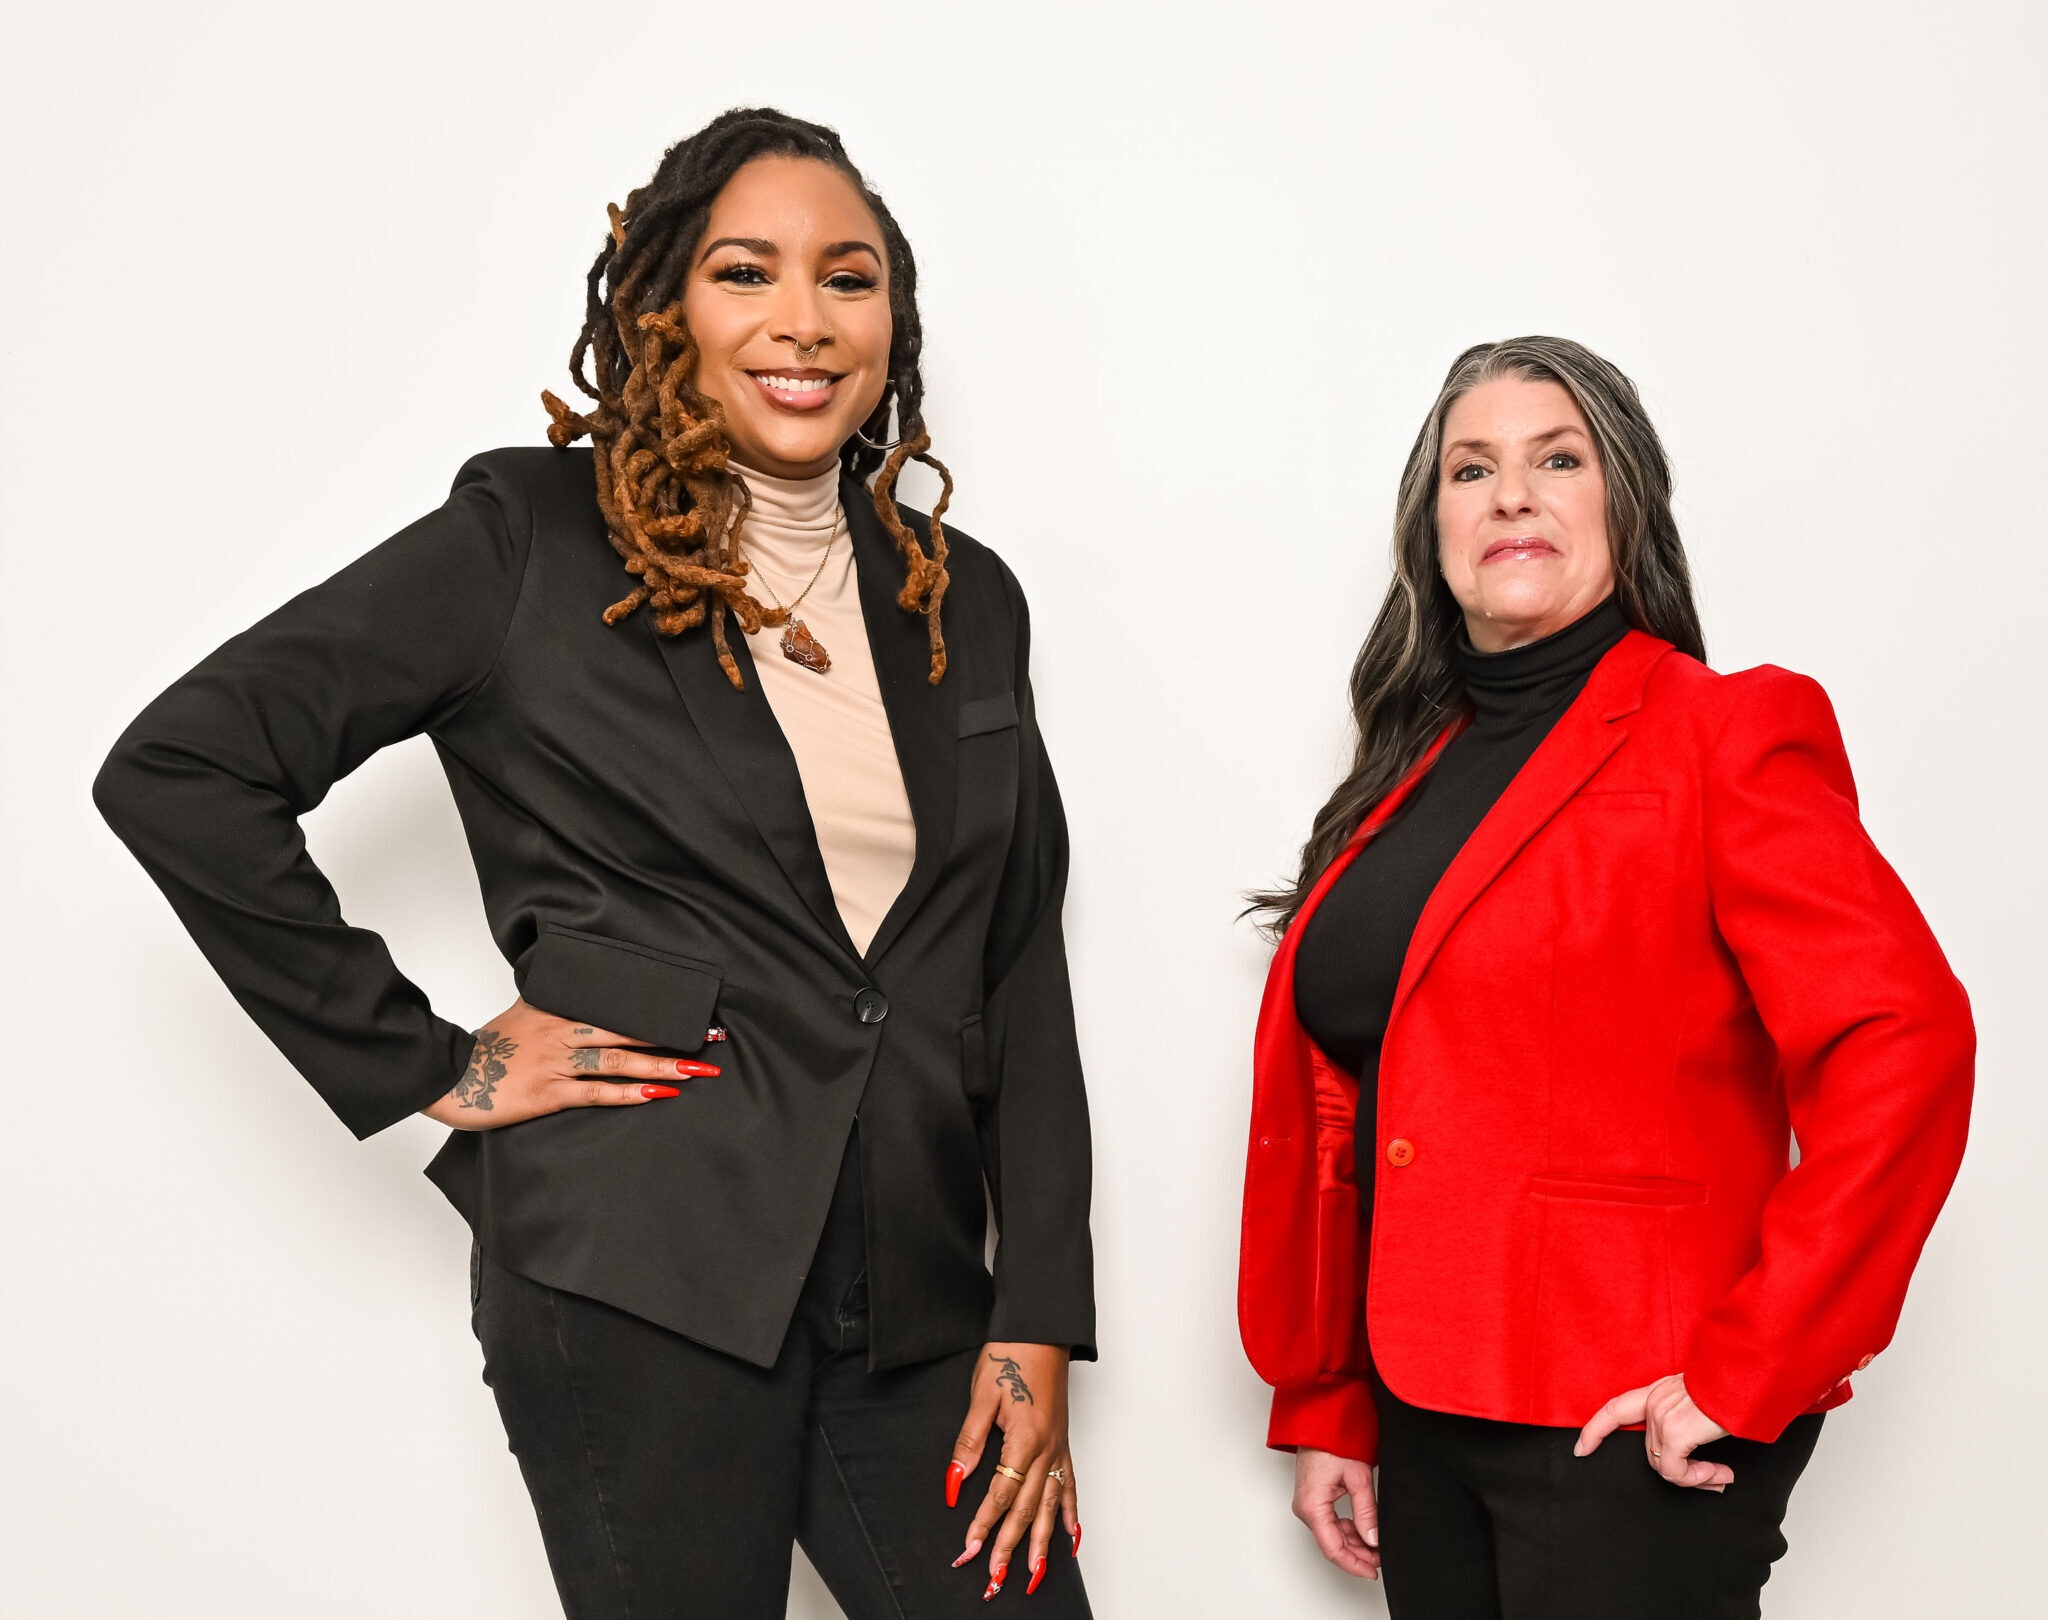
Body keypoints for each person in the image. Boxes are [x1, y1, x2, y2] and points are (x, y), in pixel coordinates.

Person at [95, 108, 1093, 1618]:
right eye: (746, 272)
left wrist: (1036, 1314)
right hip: (645, 1271)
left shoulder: (961, 599)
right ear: (662, 310)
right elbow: (182, 767)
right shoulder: (534, 541)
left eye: (852, 277)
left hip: (915, 1292)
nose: (805, 322)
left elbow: (1010, 961)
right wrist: (432, 1062)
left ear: (897, 317)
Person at [1237, 335, 1973, 1618]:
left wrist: (1749, 1370)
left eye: (1555, 459)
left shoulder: (1723, 736)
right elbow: (1351, 1108)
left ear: (1622, 505)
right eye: (1470, 469)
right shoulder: (1400, 782)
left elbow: (1902, 1041)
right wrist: (1326, 1396)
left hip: (1624, 1425)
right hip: (1420, 1414)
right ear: (1432, 529)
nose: (1508, 494)